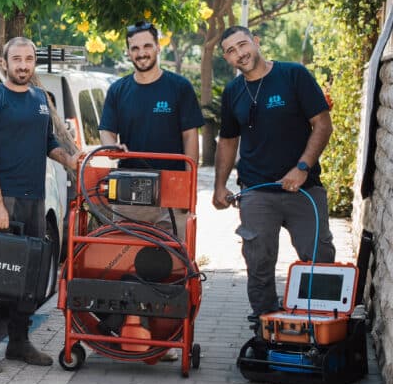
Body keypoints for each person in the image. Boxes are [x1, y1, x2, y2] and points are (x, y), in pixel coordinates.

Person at [0, 36, 83, 373]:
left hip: (34, 200)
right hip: (1, 200)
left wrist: (71, 160)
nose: (23, 65)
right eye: (16, 59)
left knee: (30, 276)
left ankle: (18, 343)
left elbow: (47, 142)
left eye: (29, 59)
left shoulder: (39, 99)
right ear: (4, 62)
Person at [211, 25, 336, 321]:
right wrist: (219, 186)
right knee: (259, 264)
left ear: (256, 41)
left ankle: (319, 326)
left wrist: (302, 167)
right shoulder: (232, 93)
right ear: (227, 59)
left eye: (243, 45)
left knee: (318, 259)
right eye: (231, 51)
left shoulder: (293, 75)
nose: (239, 53)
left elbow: (322, 123)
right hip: (256, 191)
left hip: (304, 188)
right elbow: (228, 140)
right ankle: (266, 328)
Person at [98, 21, 204, 241]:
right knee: (126, 257)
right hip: (129, 187)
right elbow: (106, 130)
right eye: (135, 48)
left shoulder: (180, 87)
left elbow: (190, 136)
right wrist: (112, 147)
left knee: (173, 260)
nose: (141, 53)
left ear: (158, 47)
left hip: (173, 187)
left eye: (147, 46)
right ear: (128, 52)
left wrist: (188, 186)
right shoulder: (118, 90)